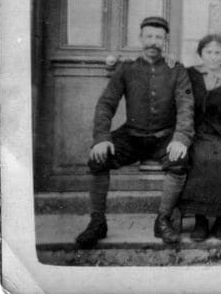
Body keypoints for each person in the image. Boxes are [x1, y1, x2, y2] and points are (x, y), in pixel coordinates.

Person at [75, 16, 194, 248]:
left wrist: (181, 138)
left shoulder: (177, 70)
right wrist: (101, 138)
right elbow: (106, 104)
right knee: (98, 158)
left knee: (179, 160)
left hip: (164, 137)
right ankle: (97, 222)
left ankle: (163, 220)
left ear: (165, 41)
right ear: (140, 38)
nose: (153, 41)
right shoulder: (126, 69)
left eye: (158, 37)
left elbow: (186, 105)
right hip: (132, 136)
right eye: (149, 36)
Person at [177, 35, 221, 241]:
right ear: (201, 54)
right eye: (208, 52)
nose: (213, 57)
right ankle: (201, 221)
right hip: (198, 131)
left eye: (217, 52)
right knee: (200, 157)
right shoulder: (190, 74)